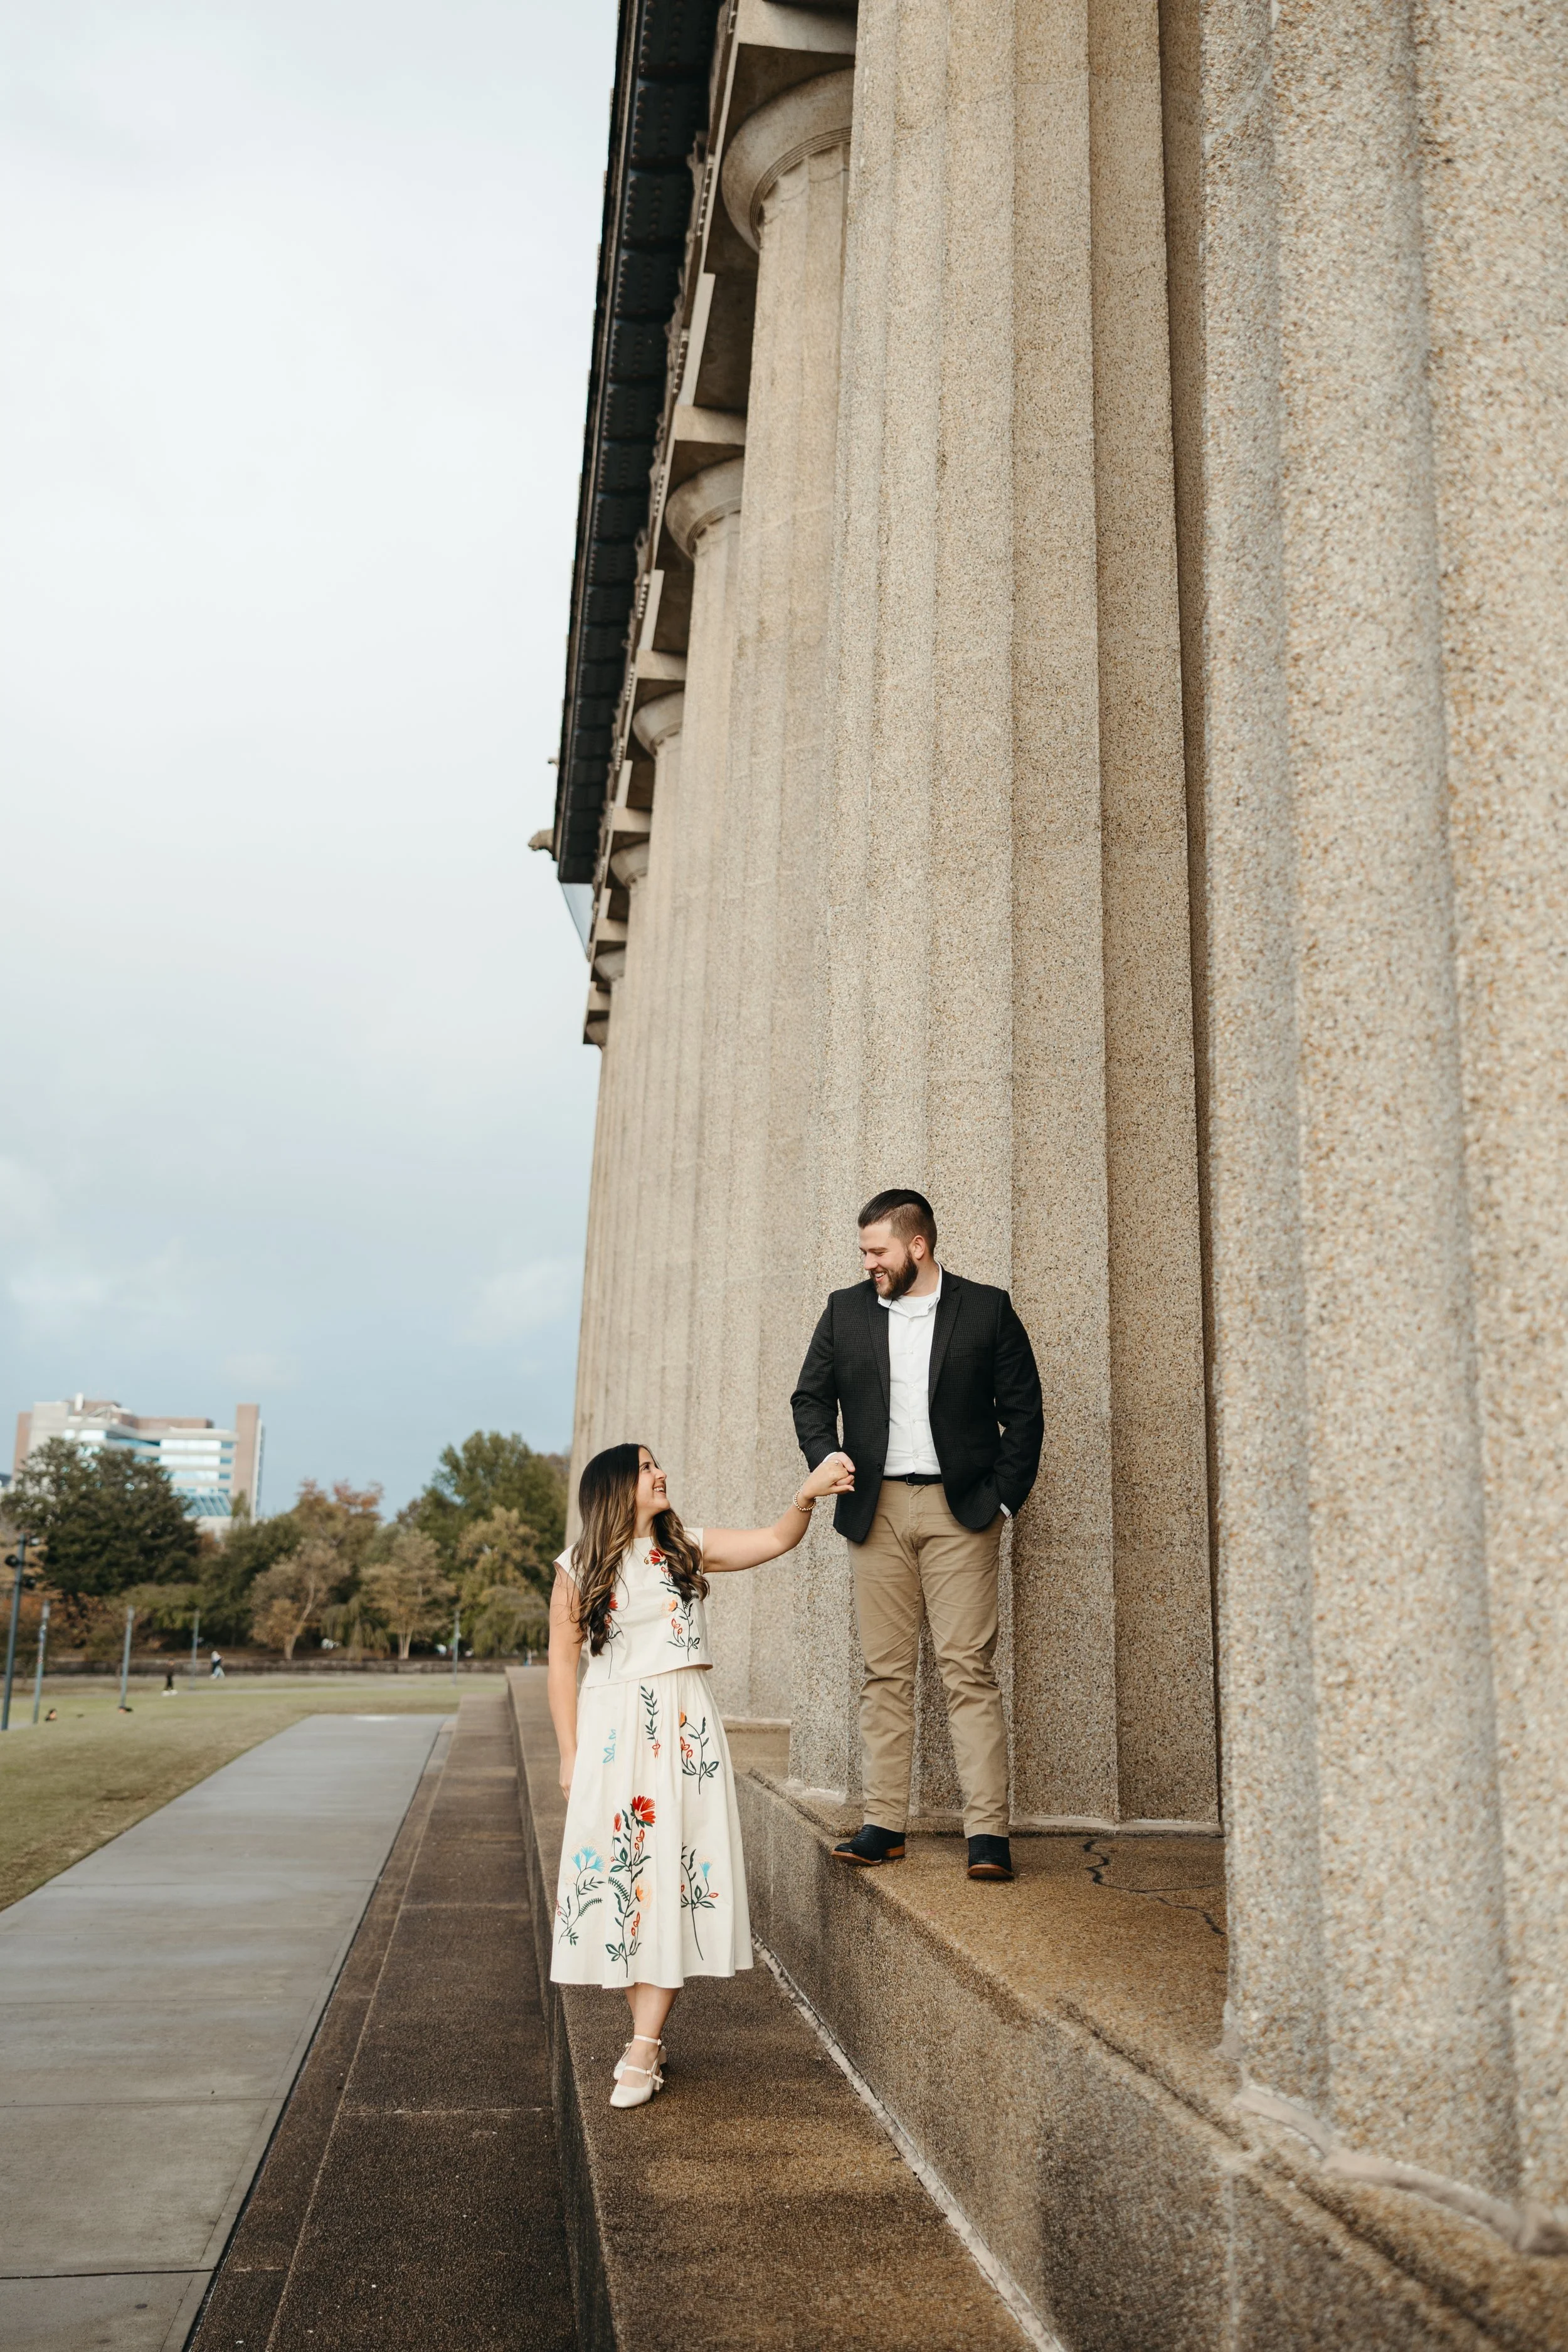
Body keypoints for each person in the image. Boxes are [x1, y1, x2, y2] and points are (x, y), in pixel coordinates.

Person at [548, 1441, 852, 2110]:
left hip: (683, 1732)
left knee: (671, 1873)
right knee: (628, 1883)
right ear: (612, 1488)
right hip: (610, 1736)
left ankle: (644, 2044)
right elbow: (561, 1667)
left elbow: (775, 1540)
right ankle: (645, 2038)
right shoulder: (576, 1567)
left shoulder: (684, 1546)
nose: (661, 1474)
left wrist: (804, 1498)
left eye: (659, 1465)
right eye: (645, 1468)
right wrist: (569, 1754)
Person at [792, 1188, 1044, 1883]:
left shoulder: (986, 1309)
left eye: (877, 1251)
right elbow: (809, 1397)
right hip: (874, 1514)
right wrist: (825, 1454)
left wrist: (1003, 1502)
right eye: (864, 1252)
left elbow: (1024, 1412)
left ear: (916, 1247)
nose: (867, 1262)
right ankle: (884, 1824)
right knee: (884, 1673)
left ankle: (987, 1833)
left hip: (961, 1511)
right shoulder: (845, 1311)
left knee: (967, 1670)